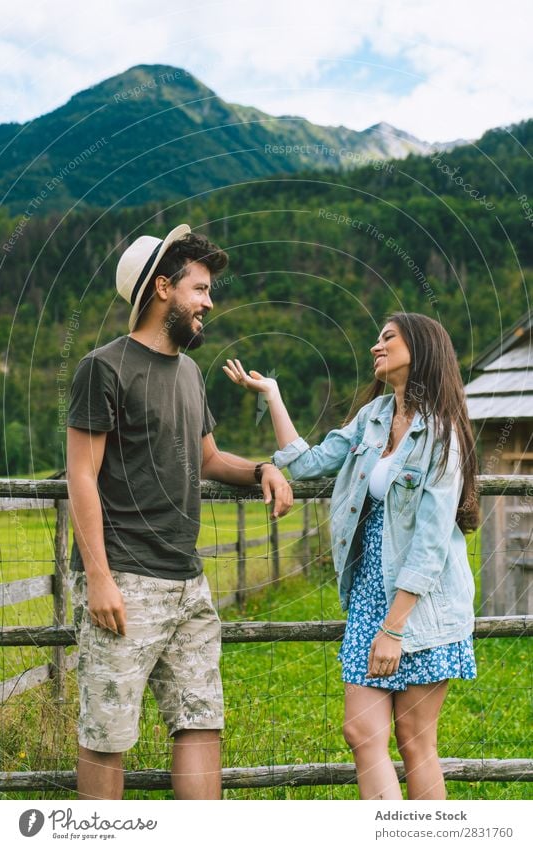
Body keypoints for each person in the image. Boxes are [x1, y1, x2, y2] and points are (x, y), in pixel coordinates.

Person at [66, 224, 293, 801]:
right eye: (200, 289)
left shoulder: (190, 373)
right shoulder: (103, 367)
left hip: (188, 581)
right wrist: (97, 578)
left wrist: (262, 469)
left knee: (200, 721)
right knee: (106, 733)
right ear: (163, 288)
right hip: (123, 578)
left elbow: (210, 458)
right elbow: (81, 477)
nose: (209, 303)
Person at [223, 312, 478, 800]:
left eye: (387, 339)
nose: (375, 348)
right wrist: (273, 395)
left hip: (421, 605)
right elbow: (306, 462)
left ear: (419, 349)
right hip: (368, 597)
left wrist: (394, 628)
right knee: (362, 734)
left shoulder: (442, 434)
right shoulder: (374, 418)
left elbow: (429, 540)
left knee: (415, 741)